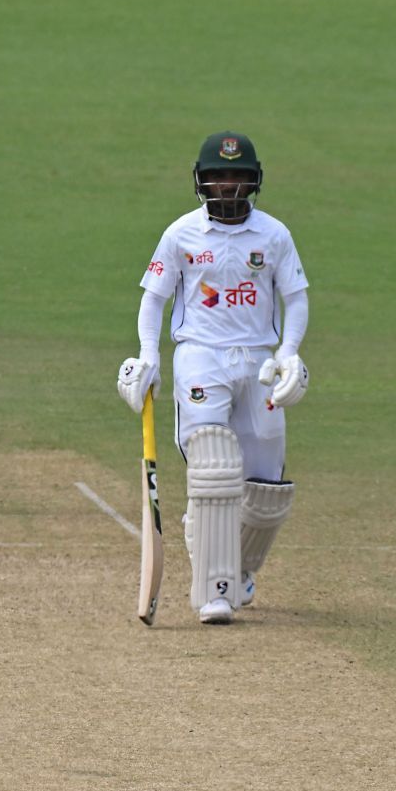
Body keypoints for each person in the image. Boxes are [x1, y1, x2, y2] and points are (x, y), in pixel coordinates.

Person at [116, 132, 311, 624]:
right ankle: (214, 591)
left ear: (254, 181)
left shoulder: (274, 235)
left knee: (267, 490)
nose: (229, 187)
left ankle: (235, 566)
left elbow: (296, 297)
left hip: (258, 359)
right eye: (220, 177)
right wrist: (148, 356)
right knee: (214, 464)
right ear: (202, 180)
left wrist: (289, 353)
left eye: (239, 178)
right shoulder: (181, 233)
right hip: (200, 355)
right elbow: (154, 299)